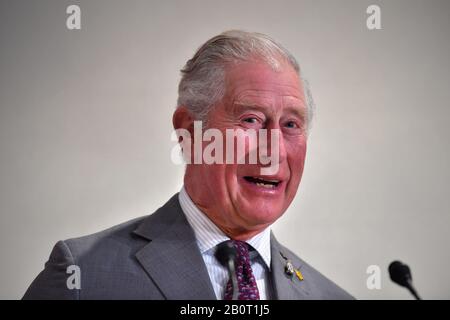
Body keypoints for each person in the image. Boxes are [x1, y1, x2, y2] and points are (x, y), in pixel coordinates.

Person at [23, 30, 353, 300]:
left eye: (291, 125)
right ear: (189, 131)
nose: (275, 151)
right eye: (251, 120)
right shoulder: (82, 277)